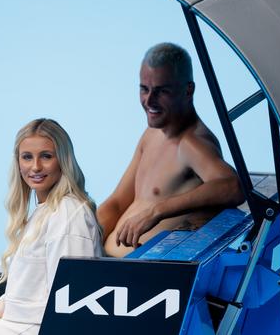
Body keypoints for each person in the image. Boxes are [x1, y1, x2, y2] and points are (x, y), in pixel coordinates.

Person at [97, 42, 245, 257]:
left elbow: (233, 186)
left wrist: (157, 211)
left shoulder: (192, 143)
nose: (149, 101)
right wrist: (83, 237)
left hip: (143, 278)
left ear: (188, 90)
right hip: (104, 266)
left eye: (161, 91)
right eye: (144, 89)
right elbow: (118, 203)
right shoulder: (151, 135)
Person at [0, 118, 102, 335]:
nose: (35, 167)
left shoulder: (69, 215)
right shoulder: (45, 210)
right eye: (27, 157)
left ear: (63, 160)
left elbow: (71, 304)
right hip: (18, 324)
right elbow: (28, 293)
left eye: (46, 156)